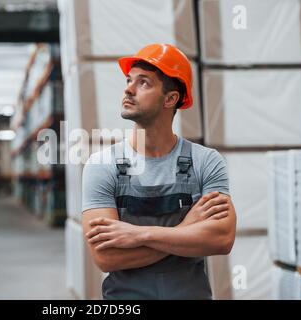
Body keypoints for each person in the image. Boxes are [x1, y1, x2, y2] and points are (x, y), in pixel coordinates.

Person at [81, 44, 237, 300]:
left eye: (143, 83)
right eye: (129, 80)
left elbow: (221, 240)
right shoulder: (102, 166)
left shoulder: (206, 161)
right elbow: (106, 257)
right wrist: (186, 228)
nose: (128, 89)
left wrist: (139, 234)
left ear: (170, 99)